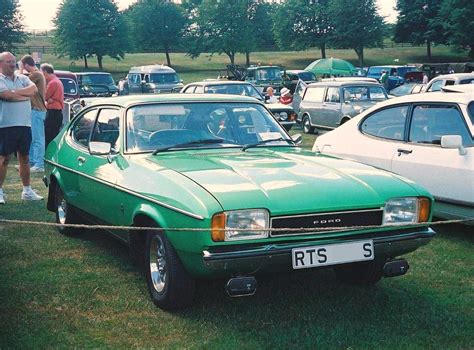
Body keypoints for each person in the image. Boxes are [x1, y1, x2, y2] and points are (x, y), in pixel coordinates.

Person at [0, 52, 43, 204]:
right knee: (4, 159)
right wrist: (22, 96)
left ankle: (27, 191)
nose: (12, 64)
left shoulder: (23, 78)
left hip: (25, 125)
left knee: (24, 158)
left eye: (13, 61)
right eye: (8, 61)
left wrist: (15, 93)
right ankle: (0, 191)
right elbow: (6, 96)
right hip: (6, 126)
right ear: (1, 64)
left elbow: (34, 91)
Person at [20, 55, 47, 172]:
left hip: (37, 110)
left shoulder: (36, 74)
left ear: (26, 64)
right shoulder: (36, 74)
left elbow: (21, 82)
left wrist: (20, 69)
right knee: (31, 138)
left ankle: (39, 164)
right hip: (34, 110)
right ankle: (31, 162)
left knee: (38, 138)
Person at [41, 63, 64, 147]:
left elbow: (44, 96)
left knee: (48, 134)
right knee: (54, 133)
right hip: (57, 112)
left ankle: (47, 153)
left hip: (52, 112)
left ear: (45, 72)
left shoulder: (52, 83)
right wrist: (48, 100)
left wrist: (47, 99)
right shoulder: (57, 81)